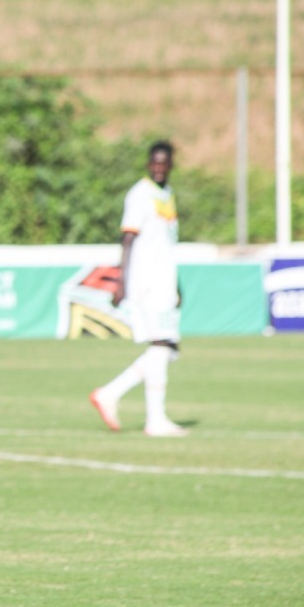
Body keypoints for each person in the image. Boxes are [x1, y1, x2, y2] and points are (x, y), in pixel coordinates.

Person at [89, 140, 187, 437]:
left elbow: (165, 244)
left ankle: (110, 394)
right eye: (154, 162)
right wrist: (121, 281)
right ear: (148, 164)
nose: (159, 168)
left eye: (163, 163)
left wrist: (176, 284)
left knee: (168, 349)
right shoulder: (140, 194)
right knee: (161, 345)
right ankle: (155, 420)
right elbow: (128, 239)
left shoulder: (167, 194)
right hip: (146, 281)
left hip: (164, 281)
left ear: (171, 165)